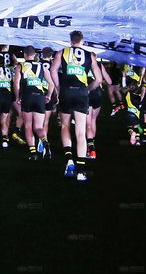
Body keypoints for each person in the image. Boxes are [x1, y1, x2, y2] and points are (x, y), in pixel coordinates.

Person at [56, 32, 102, 181]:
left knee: (64, 126)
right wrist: (88, 89)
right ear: (82, 41)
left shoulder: (62, 52)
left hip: (66, 92)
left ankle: (69, 158)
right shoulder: (90, 55)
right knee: (81, 132)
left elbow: (52, 70)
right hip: (82, 93)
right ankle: (81, 171)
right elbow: (99, 79)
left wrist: (58, 88)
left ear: (70, 40)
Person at [14, 46, 55, 160]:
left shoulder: (20, 66)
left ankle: (33, 153)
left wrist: (18, 96)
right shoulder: (42, 66)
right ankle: (45, 142)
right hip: (39, 98)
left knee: (28, 126)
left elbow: (16, 83)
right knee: (38, 126)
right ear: (35, 55)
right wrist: (49, 96)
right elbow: (51, 84)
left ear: (25, 55)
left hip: (27, 97)